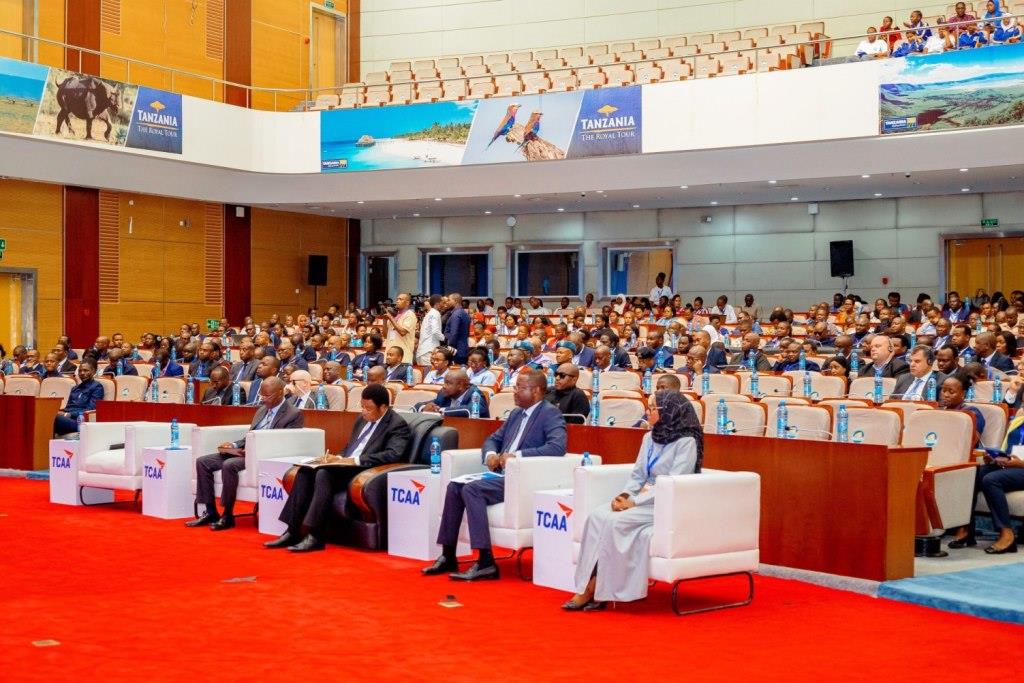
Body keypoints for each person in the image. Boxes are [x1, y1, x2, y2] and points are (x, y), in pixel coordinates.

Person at [563, 391, 702, 610]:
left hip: (666, 503)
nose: (648, 412)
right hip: (642, 498)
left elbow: (673, 482)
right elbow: (638, 475)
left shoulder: (686, 442)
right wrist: (625, 496)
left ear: (669, 412)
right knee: (597, 516)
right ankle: (587, 585)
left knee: (615, 522)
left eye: (653, 408)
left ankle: (595, 589)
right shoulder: (649, 437)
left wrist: (635, 503)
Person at [423, 369, 567, 581]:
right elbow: (493, 439)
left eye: (520, 388)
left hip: (523, 478)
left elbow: (557, 447)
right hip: (501, 475)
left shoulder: (550, 413)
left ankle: (486, 562)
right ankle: (448, 555)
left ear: (536, 391)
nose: (514, 392)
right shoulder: (517, 413)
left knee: (472, 490)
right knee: (454, 486)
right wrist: (490, 454)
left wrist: (516, 456)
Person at [267, 384, 411, 552]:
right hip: (346, 465)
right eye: (362, 406)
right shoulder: (361, 420)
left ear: (383, 407)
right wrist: (337, 458)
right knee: (305, 471)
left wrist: (354, 460)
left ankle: (315, 536)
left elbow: (393, 454)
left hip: (365, 470)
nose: (363, 412)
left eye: (368, 408)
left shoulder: (397, 424)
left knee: (324, 473)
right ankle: (292, 531)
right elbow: (351, 447)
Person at [188, 376, 303, 530]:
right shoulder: (262, 410)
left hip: (264, 455)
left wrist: (255, 448)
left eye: (267, 396)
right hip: (246, 451)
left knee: (229, 465)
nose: (263, 399)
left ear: (281, 393)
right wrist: (234, 445)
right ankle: (210, 512)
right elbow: (250, 435)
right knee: (203, 462)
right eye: (261, 395)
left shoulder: (293, 413)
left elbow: (286, 442)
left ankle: (227, 515)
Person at [53, 359, 104, 435]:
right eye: (80, 371)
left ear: (93, 372)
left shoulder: (97, 387)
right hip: (67, 418)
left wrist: (68, 414)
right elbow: (68, 407)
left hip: (80, 421)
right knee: (47, 415)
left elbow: (90, 410)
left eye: (86, 370)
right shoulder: (75, 388)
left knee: (55, 418)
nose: (82, 373)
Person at [418, 369, 490, 417]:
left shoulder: (475, 394)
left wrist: (440, 411)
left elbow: (472, 410)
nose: (444, 386)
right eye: (444, 382)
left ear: (460, 385)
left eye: (448, 383)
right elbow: (418, 405)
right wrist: (424, 408)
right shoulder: (443, 394)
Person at [385, 292, 418, 366]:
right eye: (397, 299)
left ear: (407, 303)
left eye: (400, 299)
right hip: (390, 355)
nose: (397, 301)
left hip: (403, 356)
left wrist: (390, 318)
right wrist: (384, 319)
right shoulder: (394, 315)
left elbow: (403, 332)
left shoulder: (410, 314)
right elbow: (385, 334)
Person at [444, 292, 471, 364]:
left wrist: (450, 347)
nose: (447, 302)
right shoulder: (464, 313)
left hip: (456, 349)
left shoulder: (456, 314)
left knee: (456, 369)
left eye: (449, 300)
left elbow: (454, 333)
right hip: (463, 347)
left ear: (455, 301)